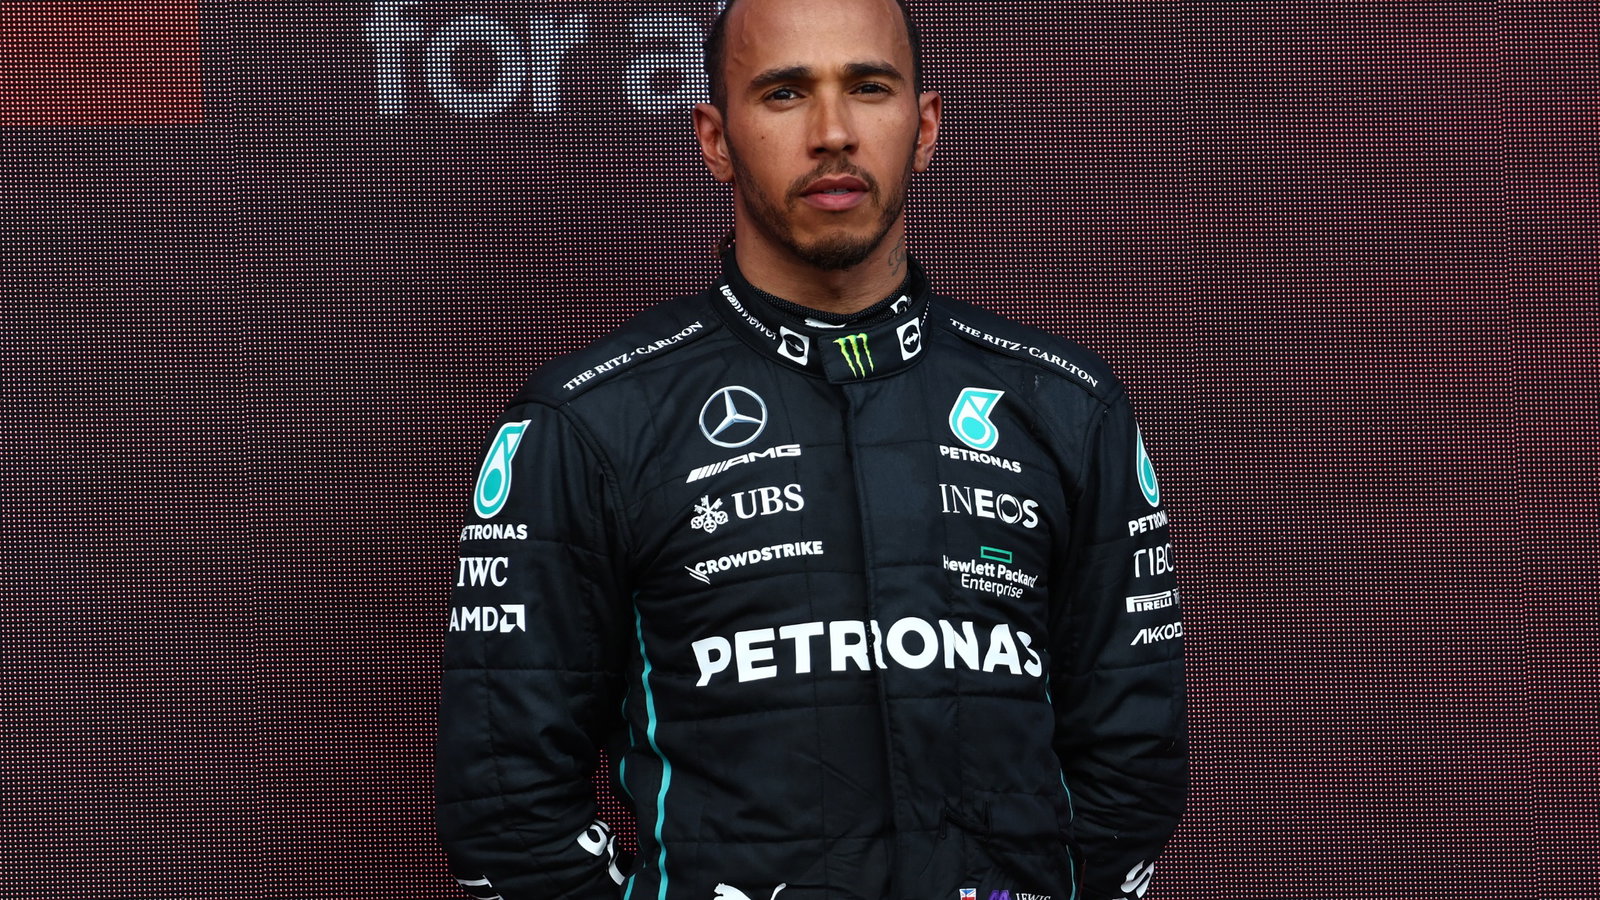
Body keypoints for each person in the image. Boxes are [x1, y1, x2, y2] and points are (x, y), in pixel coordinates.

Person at [435, 0, 1186, 898]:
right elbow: (504, 803)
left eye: (869, 87)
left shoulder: (1066, 406)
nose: (833, 133)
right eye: (784, 93)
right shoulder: (590, 420)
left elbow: (1132, 763)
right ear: (715, 139)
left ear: (925, 126)